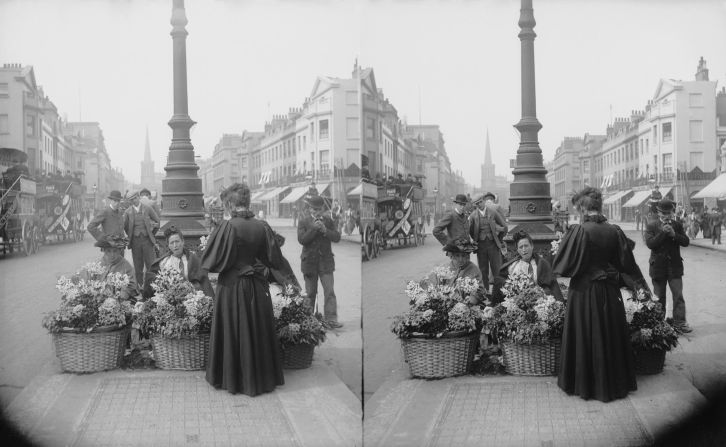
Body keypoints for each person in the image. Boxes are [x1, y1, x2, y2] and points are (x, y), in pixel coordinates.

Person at [553, 187, 645, 402]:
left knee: (584, 334)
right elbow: (626, 265)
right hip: (609, 291)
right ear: (600, 206)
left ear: (584, 208)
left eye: (579, 209)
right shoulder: (615, 231)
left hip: (584, 293)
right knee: (609, 333)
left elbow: (563, 266)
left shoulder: (580, 231)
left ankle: (584, 385)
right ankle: (612, 384)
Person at [201, 183, 285, 396]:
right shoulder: (262, 226)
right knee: (256, 328)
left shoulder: (227, 227)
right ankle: (259, 378)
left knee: (233, 328)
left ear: (230, 204)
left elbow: (213, 262)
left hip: (232, 286)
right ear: (247, 203)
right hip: (256, 285)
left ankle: (232, 379)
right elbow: (274, 259)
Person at [644, 198, 692, 333]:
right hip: (658, 268)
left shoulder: (677, 225)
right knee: (659, 298)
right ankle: (659, 324)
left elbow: (686, 242)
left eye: (669, 213)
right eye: (663, 213)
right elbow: (650, 244)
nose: (666, 216)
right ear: (658, 212)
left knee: (678, 296)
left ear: (672, 212)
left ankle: (680, 323)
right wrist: (663, 233)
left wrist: (674, 234)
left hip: (674, 267)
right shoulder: (651, 225)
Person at [298, 195, 343, 328]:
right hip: (309, 264)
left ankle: (331, 320)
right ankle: (310, 321)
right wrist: (313, 229)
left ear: (323, 209)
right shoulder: (304, 221)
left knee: (329, 292)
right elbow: (302, 240)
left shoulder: (328, 221)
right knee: (310, 293)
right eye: (313, 209)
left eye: (318, 209)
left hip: (326, 263)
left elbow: (337, 237)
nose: (316, 212)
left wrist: (325, 230)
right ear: (309, 208)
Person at [142, 226, 214, 299]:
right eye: (172, 243)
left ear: (182, 242)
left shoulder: (192, 259)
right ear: (169, 246)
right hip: (171, 298)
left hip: (191, 296)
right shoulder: (164, 262)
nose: (175, 245)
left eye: (177, 241)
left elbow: (203, 281)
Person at [492, 230, 563, 304]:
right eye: (520, 247)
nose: (524, 250)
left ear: (532, 246)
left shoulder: (542, 264)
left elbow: (552, 285)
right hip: (518, 300)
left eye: (526, 246)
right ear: (517, 250)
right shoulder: (512, 266)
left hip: (539, 300)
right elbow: (501, 282)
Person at [468, 192, 508, 294]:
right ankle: (485, 292)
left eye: (480, 202)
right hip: (481, 247)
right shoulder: (473, 216)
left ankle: (499, 292)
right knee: (482, 270)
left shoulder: (493, 212)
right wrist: (476, 240)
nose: (479, 205)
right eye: (476, 204)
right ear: (475, 205)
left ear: (484, 201)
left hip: (493, 245)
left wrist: (499, 239)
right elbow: (470, 231)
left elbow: (504, 227)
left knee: (497, 269)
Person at [123, 191, 160, 287]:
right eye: (131, 200)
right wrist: (131, 235)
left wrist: (151, 234)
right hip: (135, 242)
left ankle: (152, 286)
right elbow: (125, 227)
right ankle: (139, 286)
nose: (133, 201)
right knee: (137, 264)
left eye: (135, 198)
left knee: (150, 264)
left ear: (139, 197)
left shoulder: (147, 208)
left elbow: (157, 222)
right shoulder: (128, 212)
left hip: (147, 240)